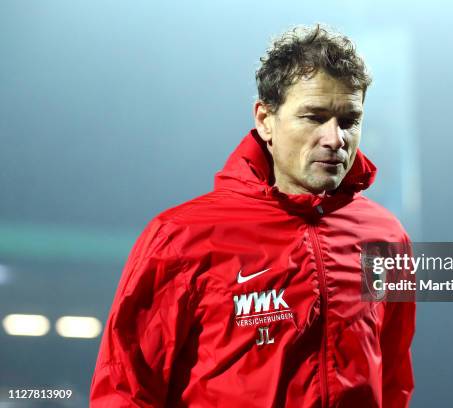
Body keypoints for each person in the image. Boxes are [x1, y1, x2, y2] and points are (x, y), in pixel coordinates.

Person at [90, 24, 416, 408]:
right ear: (265, 120)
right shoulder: (180, 237)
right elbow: (126, 388)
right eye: (314, 117)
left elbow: (392, 381)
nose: (335, 139)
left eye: (349, 120)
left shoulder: (386, 236)